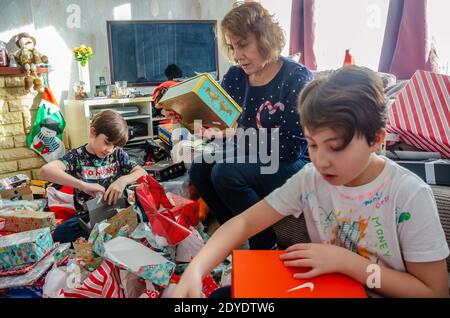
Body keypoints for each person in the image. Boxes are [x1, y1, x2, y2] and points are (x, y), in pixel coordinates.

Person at [172, 65, 449, 298]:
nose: (321, 160)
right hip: (323, 288)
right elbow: (244, 222)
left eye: (336, 147)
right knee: (223, 297)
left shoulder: (409, 195)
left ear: (376, 139)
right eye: (312, 145)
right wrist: (197, 268)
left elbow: (434, 292)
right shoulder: (312, 178)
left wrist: (347, 264)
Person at [157, 2, 313, 250]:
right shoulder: (236, 76)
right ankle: (237, 233)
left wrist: (234, 134)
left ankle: (265, 241)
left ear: (265, 39)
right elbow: (216, 119)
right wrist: (184, 112)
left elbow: (291, 148)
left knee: (225, 172)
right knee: (200, 168)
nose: (237, 54)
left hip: (291, 160)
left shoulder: (296, 77)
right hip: (251, 151)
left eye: (243, 44)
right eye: (232, 46)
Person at [40, 110, 147, 243]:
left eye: (114, 146)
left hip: (118, 211)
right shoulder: (77, 156)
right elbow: (46, 171)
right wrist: (83, 185)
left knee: (147, 215)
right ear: (92, 132)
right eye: (107, 143)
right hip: (89, 217)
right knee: (60, 234)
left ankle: (111, 236)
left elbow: (142, 172)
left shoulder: (118, 154)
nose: (110, 150)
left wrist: (122, 180)